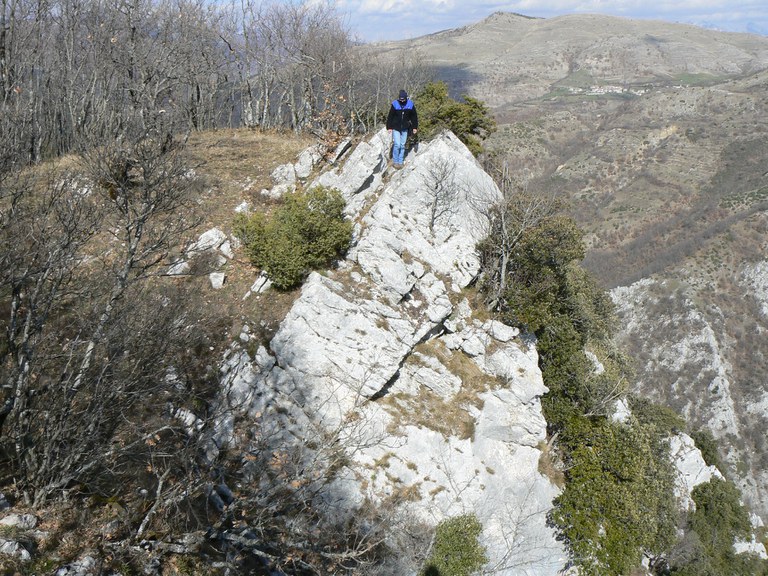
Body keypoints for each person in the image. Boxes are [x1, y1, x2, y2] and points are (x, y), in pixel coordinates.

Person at [386, 89, 418, 169]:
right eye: (400, 99)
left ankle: (400, 162)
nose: (402, 100)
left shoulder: (410, 104)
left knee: (402, 145)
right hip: (396, 128)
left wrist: (415, 127)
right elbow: (390, 116)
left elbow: (414, 117)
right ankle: (395, 161)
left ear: (406, 98)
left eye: (403, 99)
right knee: (397, 144)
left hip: (405, 128)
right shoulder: (395, 104)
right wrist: (389, 127)